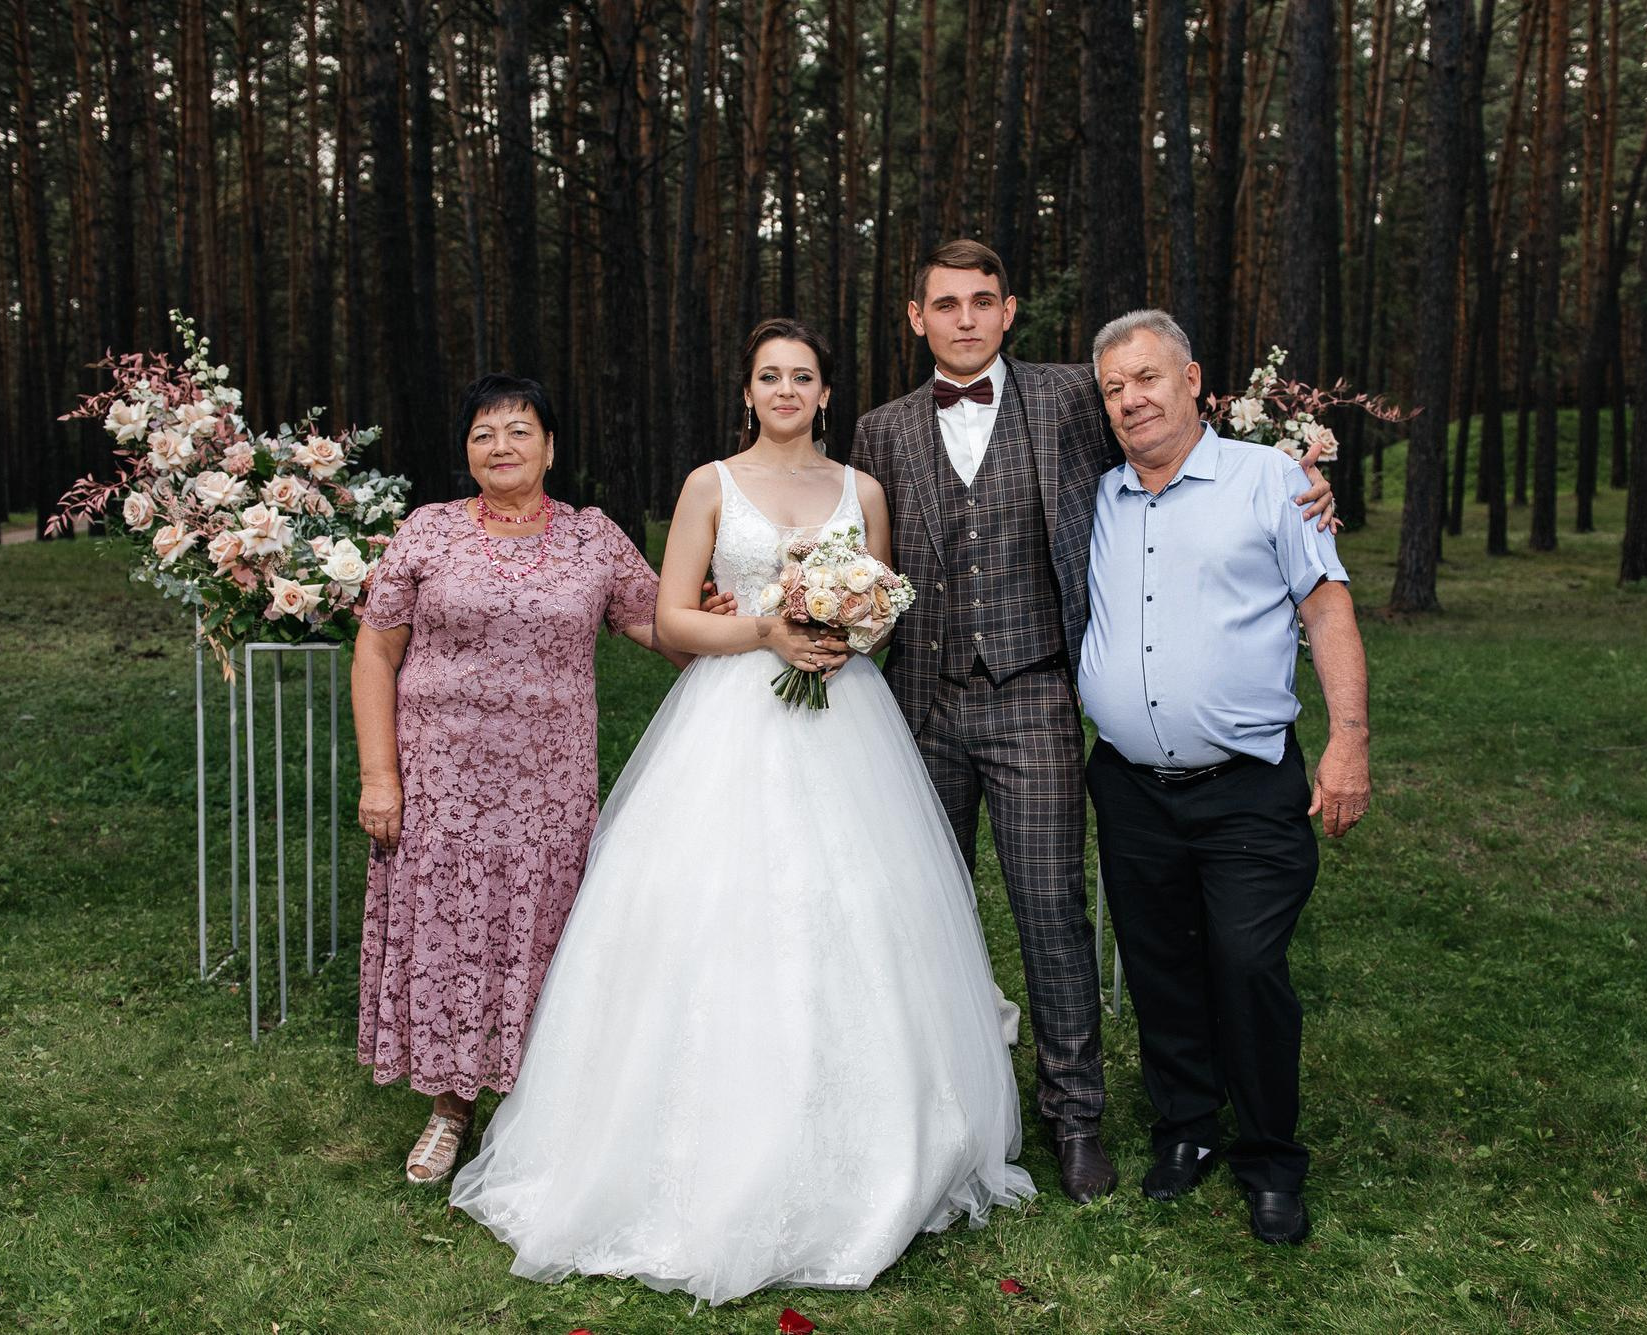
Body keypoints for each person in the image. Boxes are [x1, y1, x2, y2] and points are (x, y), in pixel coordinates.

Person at [451, 318, 1033, 1305]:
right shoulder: (707, 485)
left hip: (842, 720)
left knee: (845, 914)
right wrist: (766, 627)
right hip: (728, 716)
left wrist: (842, 626)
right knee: (712, 913)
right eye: (767, 375)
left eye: (801, 376)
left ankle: (866, 1141)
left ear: (824, 392)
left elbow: (881, 610)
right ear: (747, 390)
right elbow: (675, 614)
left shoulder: (864, 491)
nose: (784, 390)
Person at [849, 240, 1335, 1203]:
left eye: (982, 301)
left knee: (1051, 914)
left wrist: (1308, 467)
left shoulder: (1078, 393)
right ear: (916, 318)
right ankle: (921, 1107)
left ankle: (1076, 1118)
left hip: (1034, 691)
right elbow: (854, 545)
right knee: (914, 911)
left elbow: (1186, 414)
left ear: (1009, 311)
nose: (963, 319)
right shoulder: (881, 429)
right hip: (920, 703)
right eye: (944, 304)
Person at [1078, 310, 1370, 1246]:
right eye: (1115, 386)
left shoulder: (1272, 481)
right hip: (1129, 784)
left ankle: (1271, 1156)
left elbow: (1326, 610)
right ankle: (1186, 1128)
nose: (1132, 398)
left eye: (1149, 377)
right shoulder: (1098, 497)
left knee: (1246, 965)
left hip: (1246, 783)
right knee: (1159, 964)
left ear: (1193, 378)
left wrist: (1348, 741)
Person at [351, 373, 687, 1185]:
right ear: (466, 448)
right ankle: (449, 1108)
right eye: (483, 433)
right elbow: (375, 651)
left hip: (549, 792)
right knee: (450, 936)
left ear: (550, 446)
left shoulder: (592, 539)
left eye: (519, 430)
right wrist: (379, 776)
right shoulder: (427, 533)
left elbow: (658, 623)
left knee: (550, 937)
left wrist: (746, 647)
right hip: (442, 787)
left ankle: (551, 1105)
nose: (500, 446)